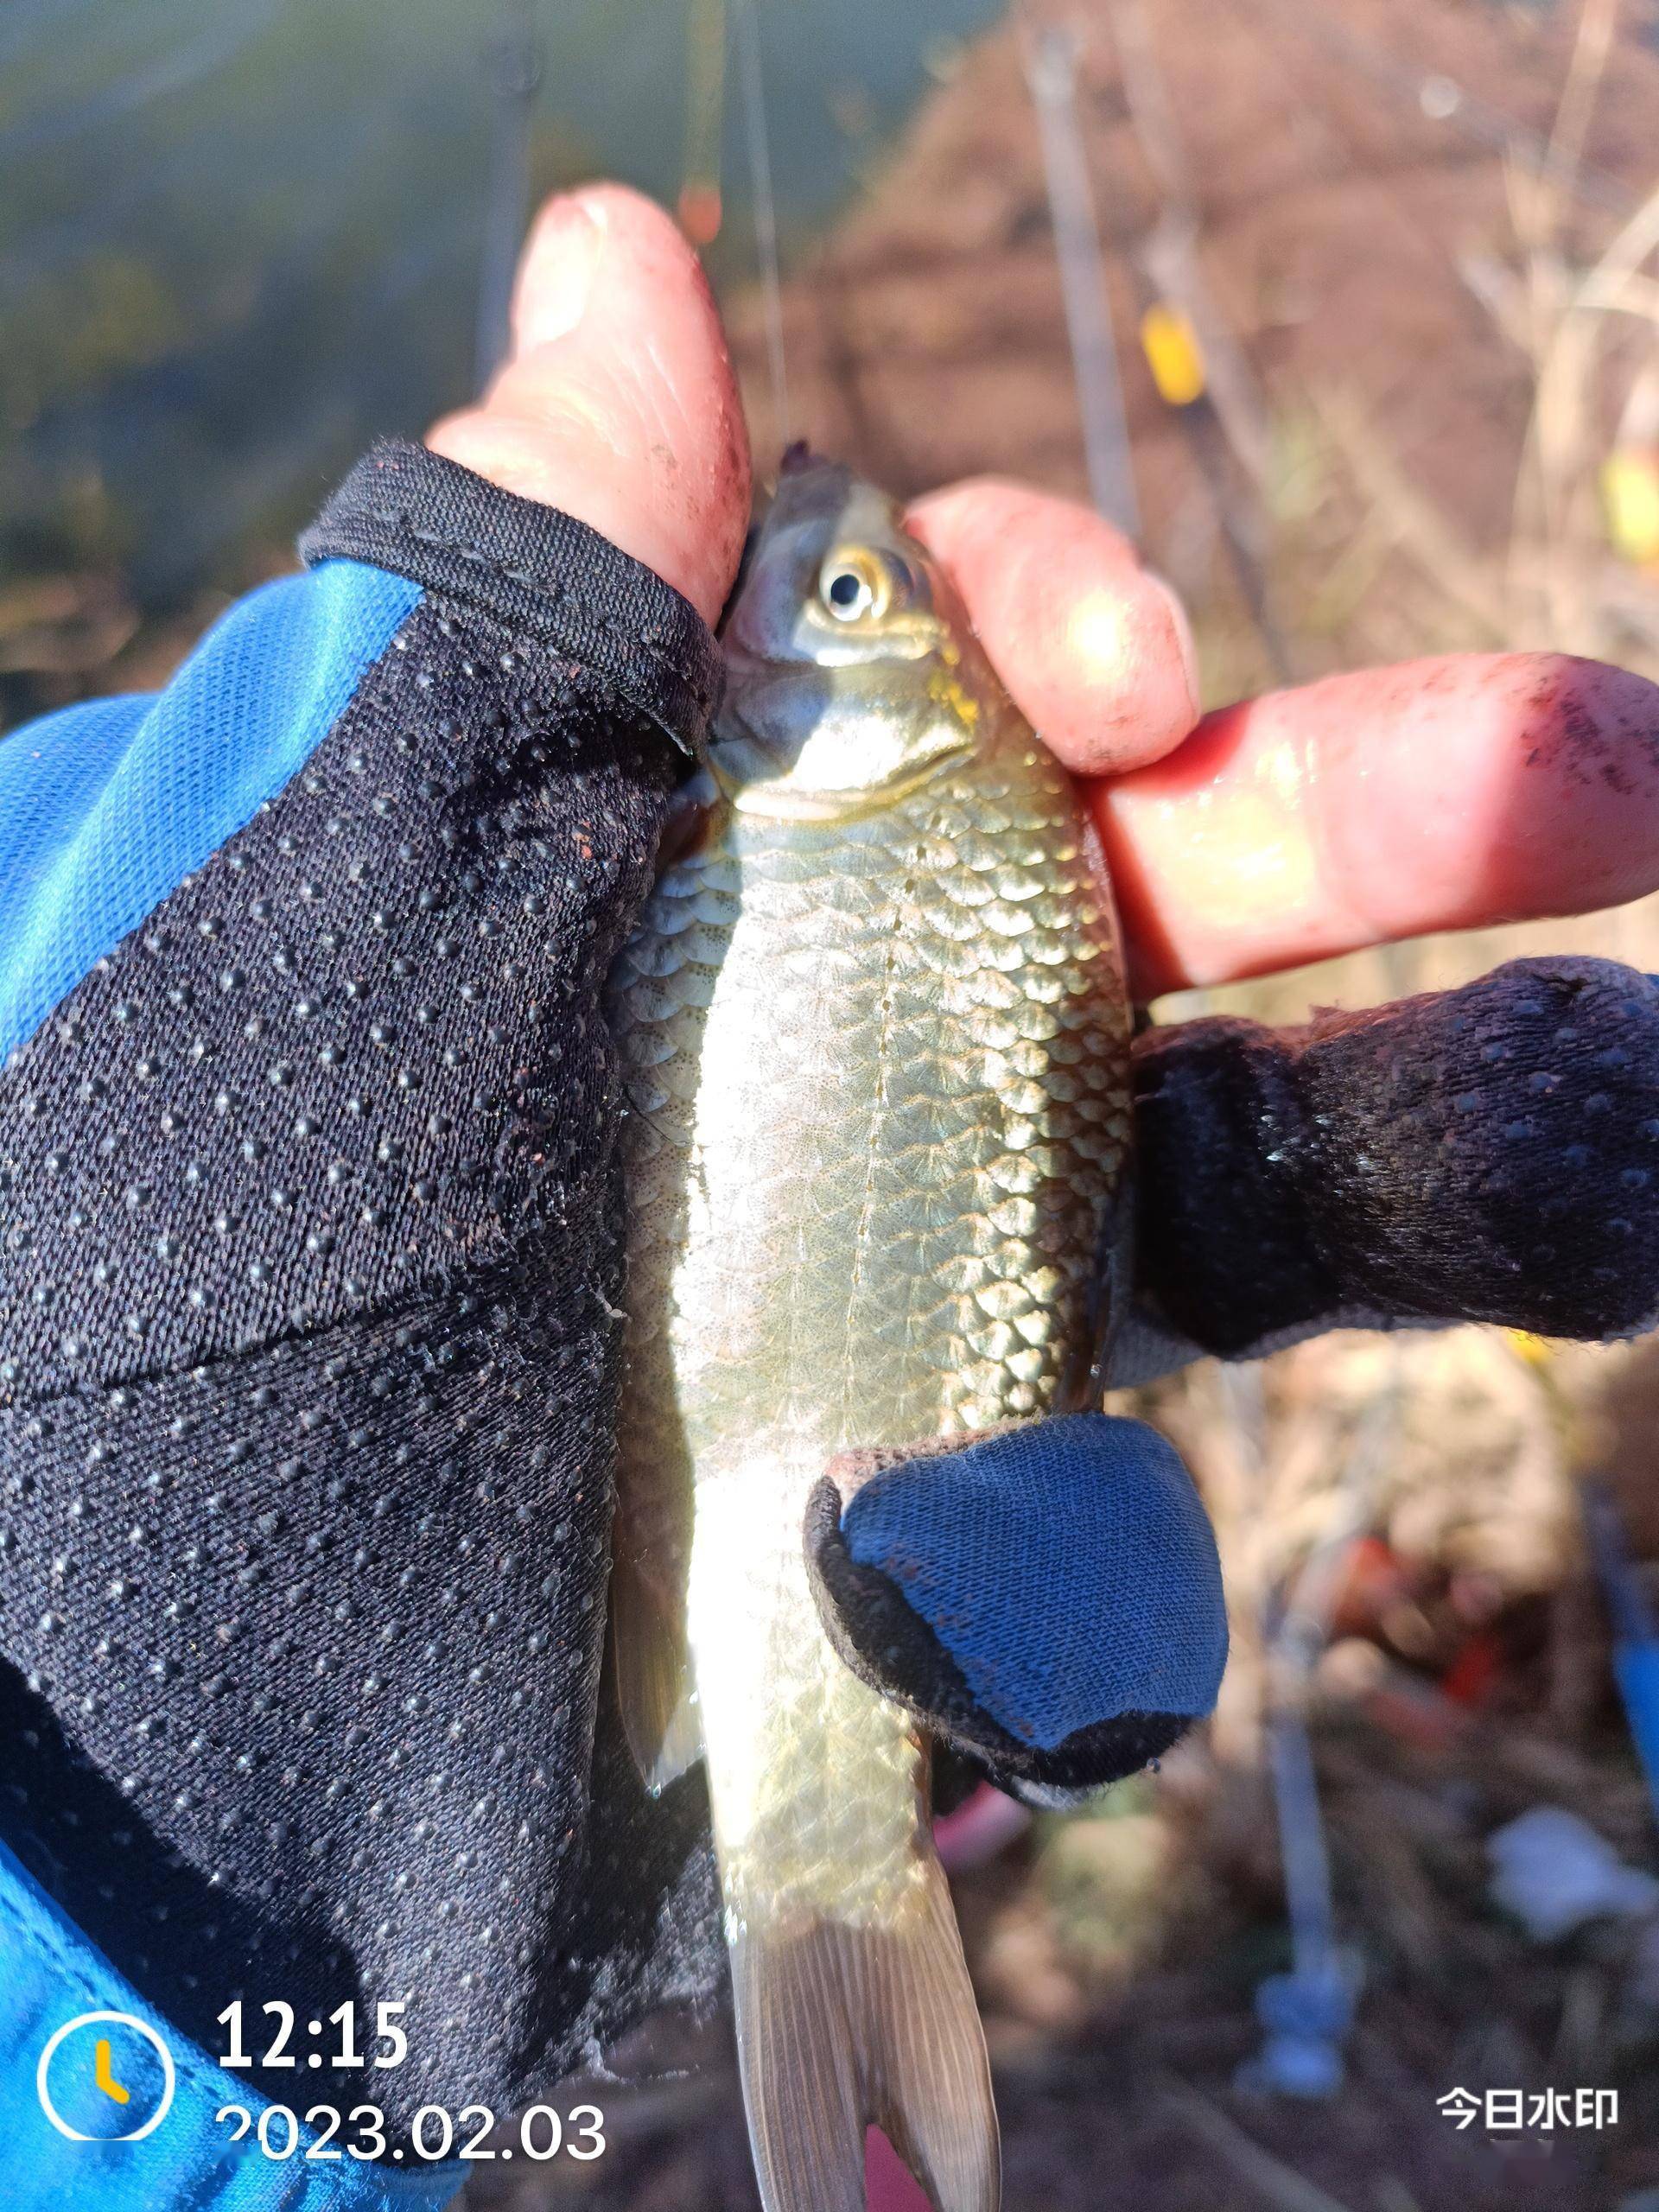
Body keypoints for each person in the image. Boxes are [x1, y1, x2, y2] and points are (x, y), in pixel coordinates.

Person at [2, 184, 1656, 2209]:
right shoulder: (837, 810)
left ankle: (829, 1889)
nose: (810, 582)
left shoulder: (869, 812)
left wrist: (166, 2024)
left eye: (846, 601)